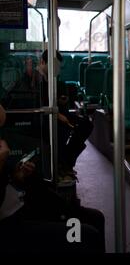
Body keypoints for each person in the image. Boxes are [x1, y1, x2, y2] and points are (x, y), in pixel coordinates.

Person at [0, 104, 105, 252]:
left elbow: (9, 183)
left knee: (95, 218)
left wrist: (18, 176)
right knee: (87, 236)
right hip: (12, 226)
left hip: (26, 206)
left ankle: (66, 170)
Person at [36, 50, 94, 185]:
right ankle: (61, 165)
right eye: (54, 66)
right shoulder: (36, 80)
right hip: (44, 117)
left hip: (57, 113)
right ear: (43, 63)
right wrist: (57, 114)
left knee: (86, 124)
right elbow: (37, 103)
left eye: (58, 67)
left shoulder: (54, 80)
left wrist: (61, 101)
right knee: (61, 129)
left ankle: (67, 162)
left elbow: (53, 100)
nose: (56, 70)